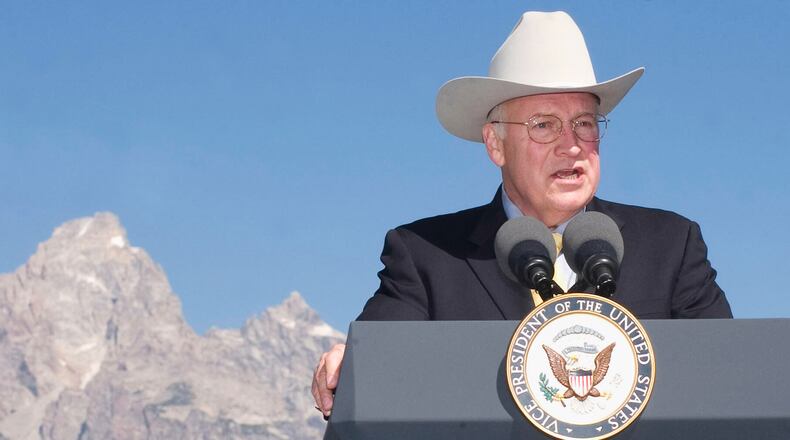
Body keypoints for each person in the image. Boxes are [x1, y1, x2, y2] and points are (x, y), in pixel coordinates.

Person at [311, 11, 732, 418]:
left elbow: (729, 377)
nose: (572, 144)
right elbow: (377, 362)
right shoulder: (426, 255)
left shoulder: (671, 245)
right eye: (544, 125)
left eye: (585, 123)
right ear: (495, 144)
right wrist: (355, 365)